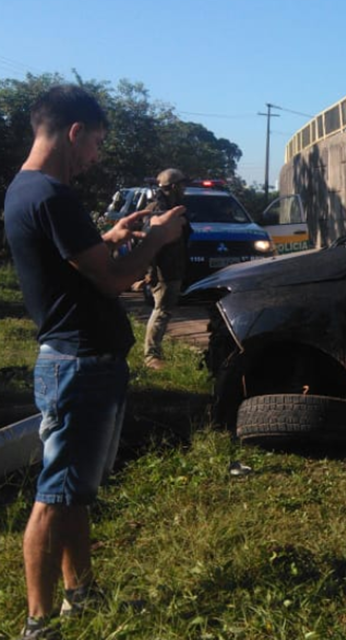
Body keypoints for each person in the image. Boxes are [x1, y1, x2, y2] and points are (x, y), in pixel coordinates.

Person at [3, 84, 186, 640]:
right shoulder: (52, 195)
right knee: (55, 494)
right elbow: (110, 279)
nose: (95, 158)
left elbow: (77, 260)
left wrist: (112, 233)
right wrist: (155, 240)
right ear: (75, 131)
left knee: (74, 488)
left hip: (78, 360)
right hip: (77, 363)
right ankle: (38, 623)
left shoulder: (28, 190)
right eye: (96, 145)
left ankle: (79, 595)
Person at [143, 168, 191, 370]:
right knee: (161, 311)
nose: (184, 189)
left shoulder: (176, 207)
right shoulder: (157, 209)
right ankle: (151, 356)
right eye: (182, 185)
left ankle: (154, 352)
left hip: (173, 267)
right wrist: (150, 273)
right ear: (173, 187)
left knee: (165, 311)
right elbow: (149, 240)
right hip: (162, 270)